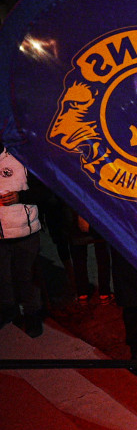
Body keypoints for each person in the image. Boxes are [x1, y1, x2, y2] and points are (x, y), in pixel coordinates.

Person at [0, 142, 43, 338]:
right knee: (4, 279)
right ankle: (11, 312)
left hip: (25, 232)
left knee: (26, 278)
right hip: (1, 236)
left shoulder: (21, 158)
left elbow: (44, 192)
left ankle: (33, 316)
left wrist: (20, 197)